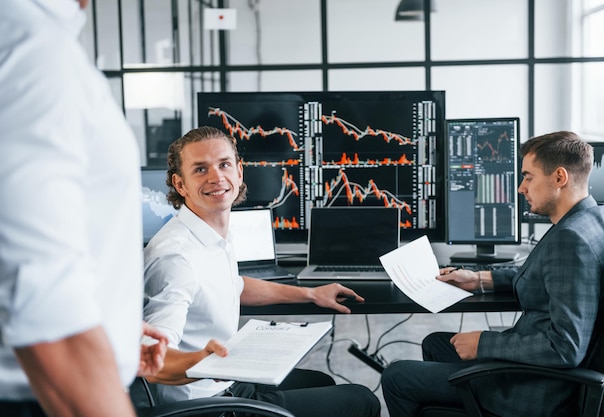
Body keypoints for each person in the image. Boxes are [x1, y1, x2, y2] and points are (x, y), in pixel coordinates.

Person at [382, 131, 604, 417]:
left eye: (528, 176)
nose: (521, 188)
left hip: (539, 391)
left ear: (559, 177)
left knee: (397, 376)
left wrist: (484, 343)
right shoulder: (603, 216)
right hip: (558, 376)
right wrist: (480, 279)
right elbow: (552, 276)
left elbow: (564, 347)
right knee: (436, 344)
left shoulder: (570, 241)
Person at [0, 1, 167, 416]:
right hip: (45, 395)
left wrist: (114, 324)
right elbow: (43, 308)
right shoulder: (33, 47)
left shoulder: (38, 39)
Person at [143, 126, 381, 417]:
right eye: (201, 169)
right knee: (360, 400)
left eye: (224, 165)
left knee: (320, 382)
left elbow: (234, 285)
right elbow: (154, 362)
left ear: (239, 172)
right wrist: (207, 361)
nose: (216, 177)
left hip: (227, 381)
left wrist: (310, 293)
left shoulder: (208, 233)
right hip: (204, 406)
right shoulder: (175, 257)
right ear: (180, 185)